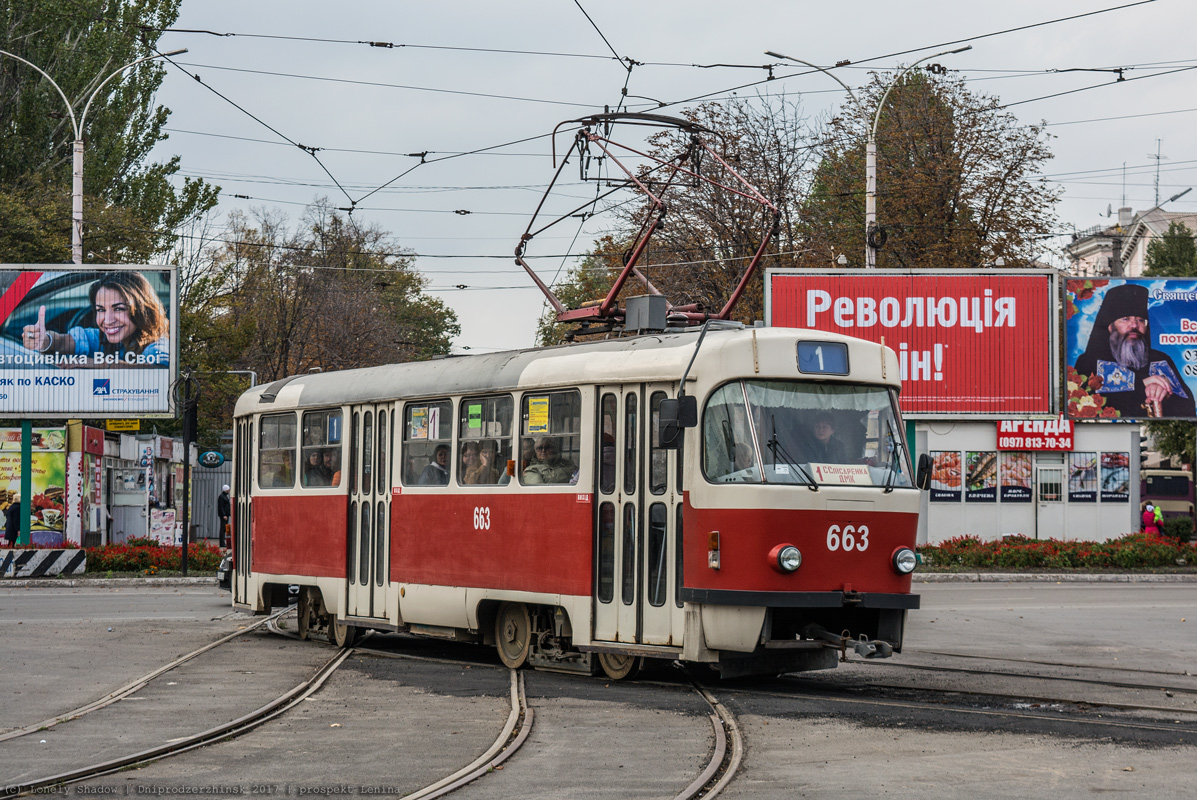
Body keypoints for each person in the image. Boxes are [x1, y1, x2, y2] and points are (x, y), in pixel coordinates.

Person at [1073, 283, 1196, 418]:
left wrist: (1165, 395)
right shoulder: (1088, 361)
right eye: (1125, 319)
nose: (1134, 325)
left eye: (1140, 320)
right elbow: (1081, 402)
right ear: (1110, 327)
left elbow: (1188, 408)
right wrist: (1141, 384)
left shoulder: (1161, 360)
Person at [22, 271, 170, 368]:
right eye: (101, 310)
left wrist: (94, 363)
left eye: (118, 308)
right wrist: (44, 340)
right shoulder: (102, 338)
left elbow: (158, 371)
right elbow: (62, 342)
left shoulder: (157, 346)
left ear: (141, 309)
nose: (108, 320)